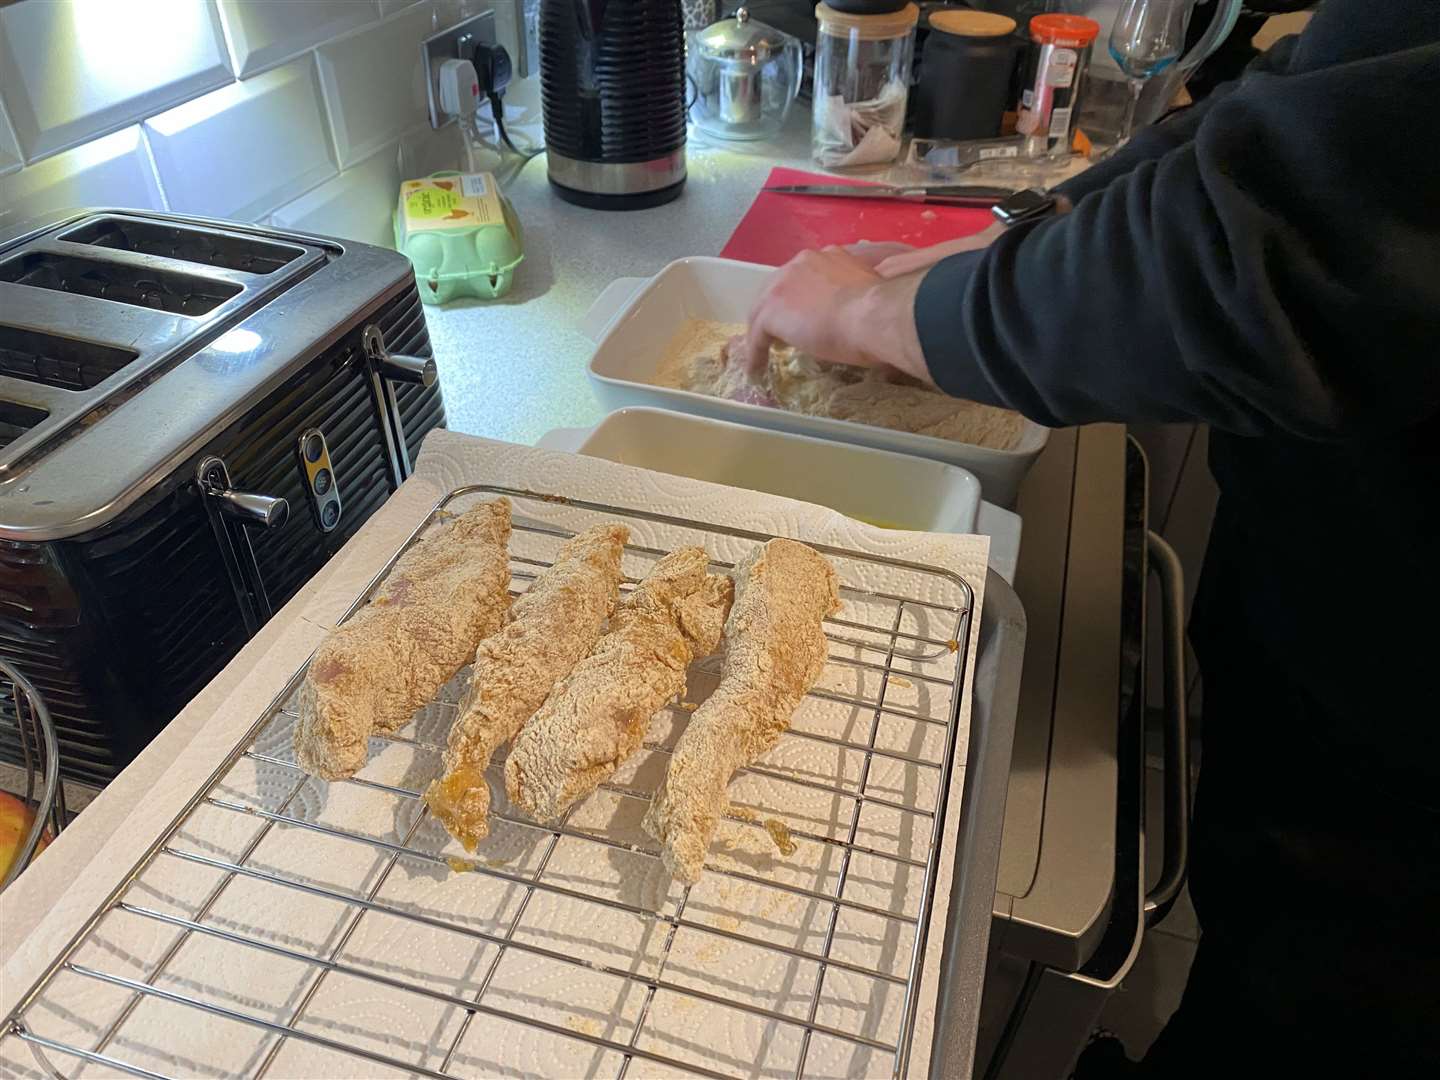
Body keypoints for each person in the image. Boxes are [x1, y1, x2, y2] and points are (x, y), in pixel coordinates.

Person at [736, 2, 1439, 1076]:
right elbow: (1281, 112)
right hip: (1335, 627)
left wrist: (883, 322)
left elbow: (1278, 238)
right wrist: (1008, 236)